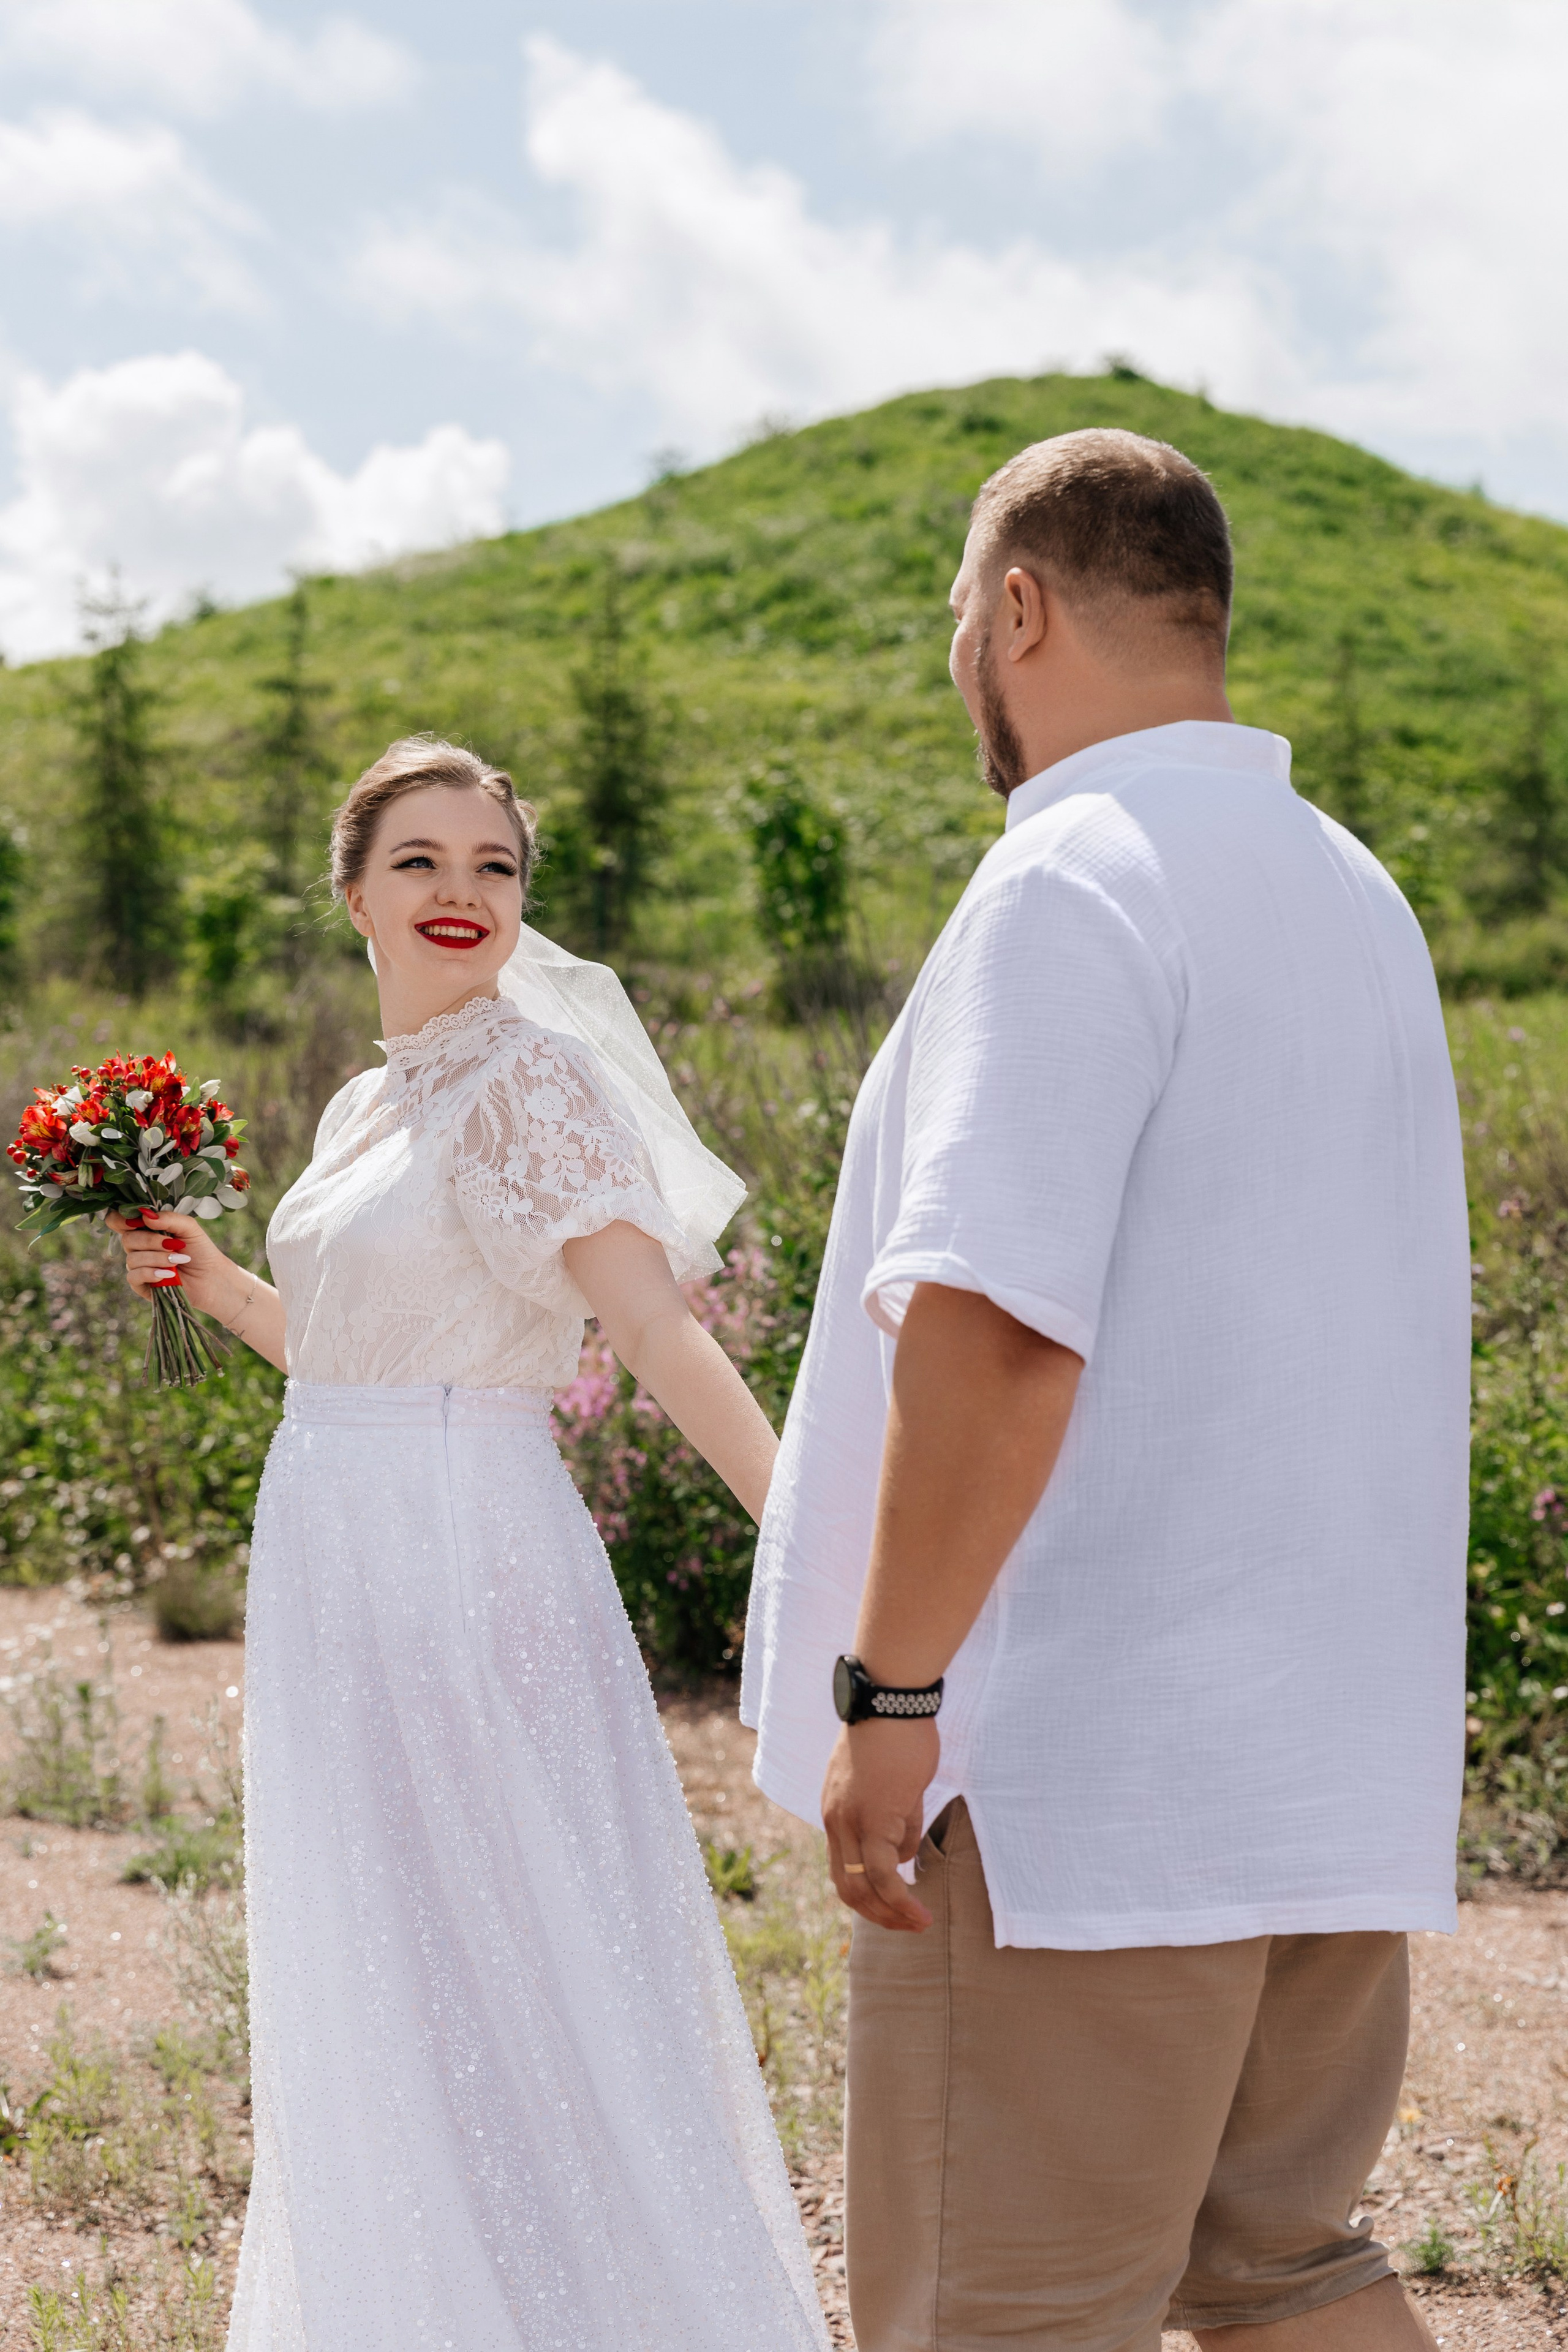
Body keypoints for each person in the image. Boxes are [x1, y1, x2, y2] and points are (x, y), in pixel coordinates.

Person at [741, 430, 1470, 2352]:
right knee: (1284, 2270)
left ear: (1019, 608)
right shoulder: (1355, 897)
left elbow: (993, 1330)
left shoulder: (1069, 875)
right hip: (1318, 1763)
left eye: (953, 633)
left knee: (995, 2314)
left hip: (1094, 1793)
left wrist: (892, 1695)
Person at [110, 737, 828, 2352]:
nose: (460, 894)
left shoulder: (530, 1079)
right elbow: (368, 1351)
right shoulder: (371, 1099)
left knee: (515, 1934)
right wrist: (224, 1287)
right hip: (335, 1542)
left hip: (463, 1546)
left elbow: (650, 1322)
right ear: (354, 892)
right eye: (420, 862)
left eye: (493, 867)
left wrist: (803, 1528)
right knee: (386, 1952)